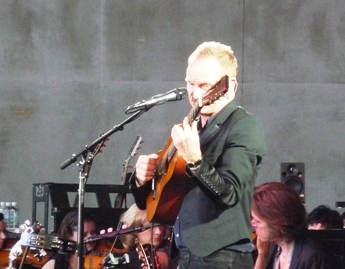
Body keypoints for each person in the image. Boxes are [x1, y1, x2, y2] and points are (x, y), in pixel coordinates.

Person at [130, 41, 267, 269]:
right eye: (190, 84)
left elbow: (229, 194)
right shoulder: (192, 130)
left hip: (222, 256)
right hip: (185, 253)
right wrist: (141, 179)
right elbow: (150, 203)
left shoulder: (244, 126)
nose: (194, 94)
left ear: (229, 86)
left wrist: (195, 161)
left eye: (204, 85)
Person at [252, 182, 341, 269]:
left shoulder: (312, 257)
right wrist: (262, 256)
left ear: (278, 222)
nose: (252, 223)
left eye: (258, 221)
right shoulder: (271, 247)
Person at [118, 203, 170, 269]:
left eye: (161, 225)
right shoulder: (128, 258)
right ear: (135, 230)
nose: (159, 232)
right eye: (151, 226)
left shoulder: (166, 253)